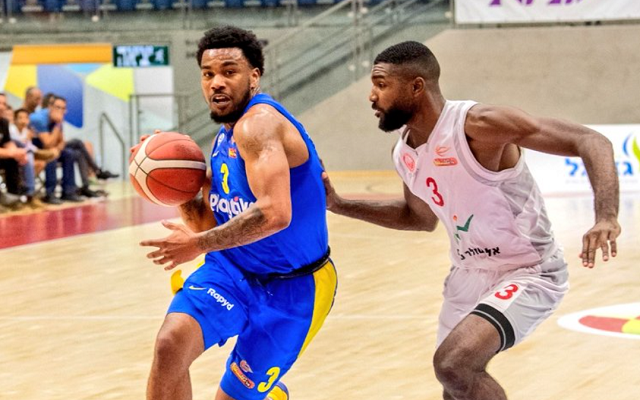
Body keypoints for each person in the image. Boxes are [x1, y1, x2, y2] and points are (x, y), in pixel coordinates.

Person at [321, 41, 621, 400]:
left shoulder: (479, 125)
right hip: (466, 275)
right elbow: (418, 218)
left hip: (527, 270)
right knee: (456, 387)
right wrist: (339, 204)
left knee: (454, 364)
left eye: (381, 84)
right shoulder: (404, 151)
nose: (371, 96)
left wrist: (606, 216)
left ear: (416, 86)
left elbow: (590, 140)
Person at [139, 26, 336, 400]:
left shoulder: (258, 125)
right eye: (208, 74)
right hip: (230, 271)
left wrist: (197, 244)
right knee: (170, 345)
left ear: (254, 76)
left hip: (293, 287)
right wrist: (179, 188)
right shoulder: (223, 137)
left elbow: (275, 214)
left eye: (229, 72)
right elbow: (211, 224)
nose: (216, 82)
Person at [30, 95, 82, 204]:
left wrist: (57, 149)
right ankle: (50, 194)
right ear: (50, 107)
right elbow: (47, 144)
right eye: (58, 107)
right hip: (35, 150)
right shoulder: (39, 119)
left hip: (50, 149)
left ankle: (68, 192)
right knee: (51, 156)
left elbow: (62, 142)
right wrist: (58, 125)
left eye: (63, 108)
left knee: (69, 153)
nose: (61, 111)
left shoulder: (58, 119)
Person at [10, 108, 56, 208]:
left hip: (25, 157)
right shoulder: (11, 129)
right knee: (30, 154)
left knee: (41, 163)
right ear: (14, 120)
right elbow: (17, 145)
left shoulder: (27, 130)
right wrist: (27, 139)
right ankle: (30, 194)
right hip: (13, 158)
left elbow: (28, 145)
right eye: (20, 118)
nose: (23, 120)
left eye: (26, 118)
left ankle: (27, 191)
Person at [0, 93, 27, 210]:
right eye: (0, 103)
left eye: (4, 104)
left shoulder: (4, 122)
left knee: (13, 160)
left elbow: (8, 142)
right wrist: (12, 153)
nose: (2, 107)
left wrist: (17, 152)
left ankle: (14, 196)